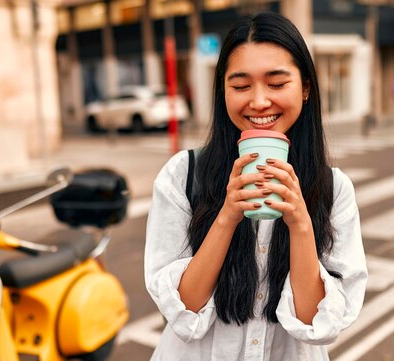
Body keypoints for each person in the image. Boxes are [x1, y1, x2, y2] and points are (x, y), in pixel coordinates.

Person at [144, 12, 367, 360]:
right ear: (223, 91)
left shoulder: (333, 188)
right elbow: (183, 310)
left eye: (277, 84)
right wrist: (227, 216)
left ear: (305, 87)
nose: (259, 101)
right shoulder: (183, 175)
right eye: (240, 86)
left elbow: (315, 323)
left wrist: (299, 224)